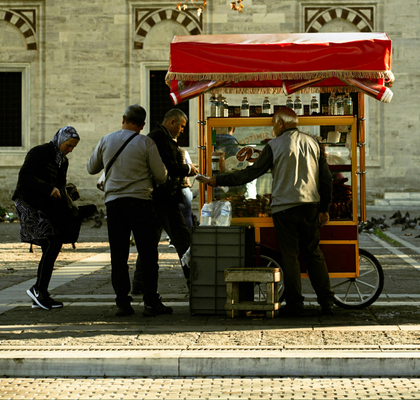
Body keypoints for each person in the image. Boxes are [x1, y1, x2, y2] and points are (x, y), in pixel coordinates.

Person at [200, 107, 335, 316]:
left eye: (273, 124)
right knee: (314, 254)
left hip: (284, 208)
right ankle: (327, 302)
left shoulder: (274, 146)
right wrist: (324, 209)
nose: (273, 128)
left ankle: (295, 305)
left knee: (290, 256)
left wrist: (218, 179)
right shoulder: (314, 143)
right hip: (310, 206)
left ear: (280, 123)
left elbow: (251, 173)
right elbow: (326, 180)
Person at [87, 104, 170, 317]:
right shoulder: (146, 142)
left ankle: (123, 302)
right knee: (148, 254)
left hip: (114, 205)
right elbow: (161, 176)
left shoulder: (106, 140)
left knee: (119, 255)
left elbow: (91, 168)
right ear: (142, 125)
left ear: (123, 118)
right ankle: (151, 301)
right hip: (141, 203)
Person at [13, 126, 81, 310]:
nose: (70, 150)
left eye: (73, 147)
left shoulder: (63, 161)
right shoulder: (39, 152)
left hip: (44, 205)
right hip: (27, 202)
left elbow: (59, 185)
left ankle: (40, 292)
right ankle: (38, 290)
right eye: (68, 145)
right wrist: (48, 188)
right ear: (60, 140)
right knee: (51, 242)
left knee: (53, 243)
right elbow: (25, 177)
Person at [132, 108, 198, 294]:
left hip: (160, 197)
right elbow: (168, 166)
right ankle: (194, 282)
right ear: (172, 122)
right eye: (182, 126)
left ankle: (139, 284)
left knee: (149, 242)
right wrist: (187, 169)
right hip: (163, 198)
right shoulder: (159, 138)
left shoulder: (162, 137)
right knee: (183, 240)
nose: (183, 130)